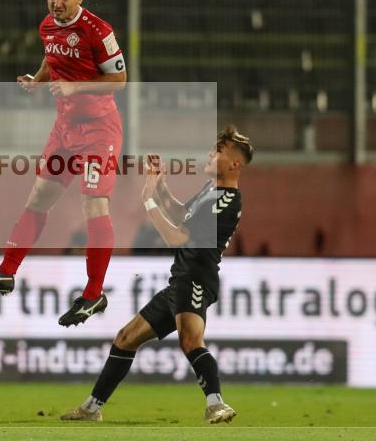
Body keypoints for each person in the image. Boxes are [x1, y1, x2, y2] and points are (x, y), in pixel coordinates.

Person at [0, 0, 127, 327]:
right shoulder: (47, 27)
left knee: (93, 203)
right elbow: (52, 58)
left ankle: (93, 293)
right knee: (38, 197)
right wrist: (37, 80)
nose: (57, 2)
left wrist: (74, 88)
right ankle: (7, 272)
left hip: (99, 131)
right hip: (65, 131)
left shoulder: (99, 30)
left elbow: (119, 80)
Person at [60, 125, 252, 424]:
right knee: (125, 338)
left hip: (197, 279)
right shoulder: (210, 191)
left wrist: (148, 199)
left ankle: (217, 404)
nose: (210, 154)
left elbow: (176, 238)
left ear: (234, 164)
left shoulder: (227, 201)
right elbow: (179, 214)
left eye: (218, 152)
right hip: (180, 280)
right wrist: (159, 185)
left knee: (191, 340)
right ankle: (91, 409)